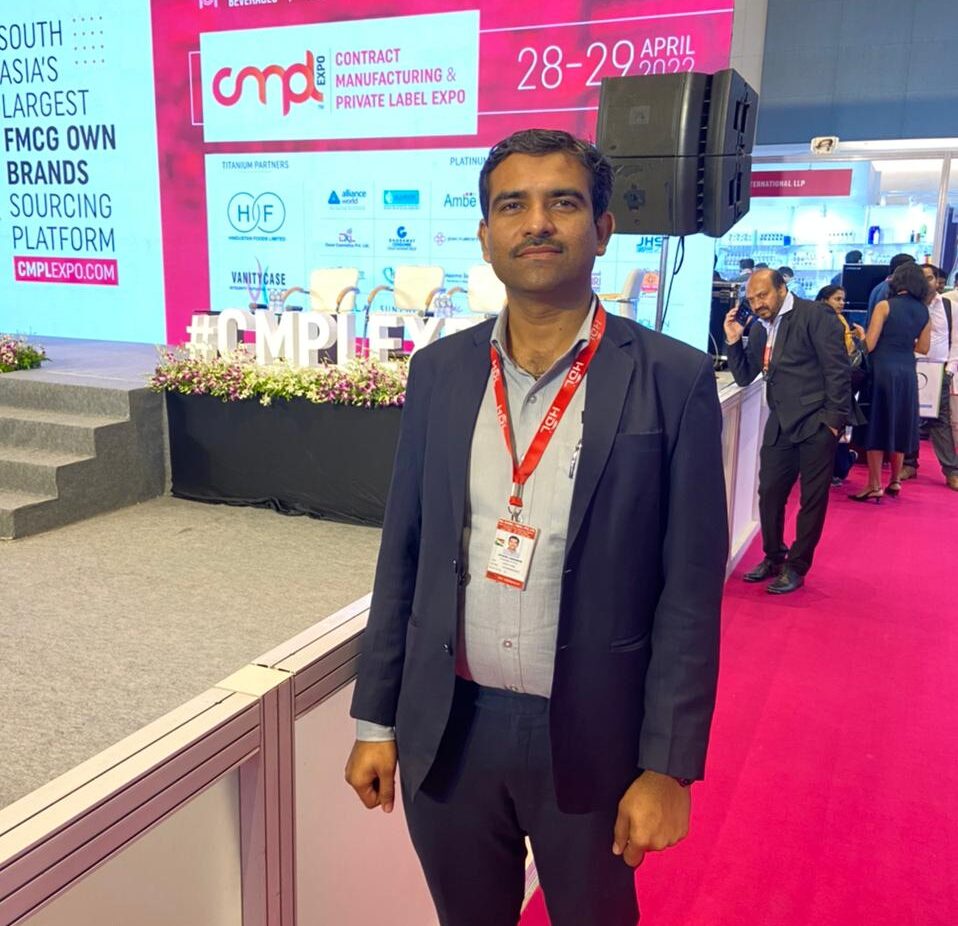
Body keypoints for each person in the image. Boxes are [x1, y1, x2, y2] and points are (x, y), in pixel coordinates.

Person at [345, 129, 729, 926]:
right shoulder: (439, 373)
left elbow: (690, 593)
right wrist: (376, 719)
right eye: (512, 206)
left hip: (593, 734)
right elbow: (404, 555)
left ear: (603, 228)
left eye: (563, 202)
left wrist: (668, 767)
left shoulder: (672, 378)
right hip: (451, 730)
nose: (538, 223)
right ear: (486, 235)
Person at [724, 269, 850, 594]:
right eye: (752, 299)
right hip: (780, 422)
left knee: (812, 500)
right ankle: (774, 557)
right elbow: (744, 376)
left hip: (816, 422)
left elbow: (837, 370)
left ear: (782, 288)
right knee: (769, 493)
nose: (758, 304)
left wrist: (833, 423)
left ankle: (797, 566)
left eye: (762, 295)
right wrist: (734, 340)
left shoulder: (815, 315)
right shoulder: (761, 328)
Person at [850, 262, 932, 501]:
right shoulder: (923, 311)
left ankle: (874, 484)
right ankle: (895, 480)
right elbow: (924, 347)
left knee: (876, 424)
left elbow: (870, 344)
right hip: (907, 371)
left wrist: (860, 337)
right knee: (898, 423)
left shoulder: (885, 305)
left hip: (882, 370)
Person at [899, 264, 958, 489]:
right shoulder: (908, 307)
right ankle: (909, 464)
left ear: (938, 281)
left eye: (931, 277)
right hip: (911, 368)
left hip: (939, 370)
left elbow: (956, 342)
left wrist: (949, 370)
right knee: (909, 418)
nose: (927, 282)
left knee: (940, 421)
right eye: (922, 277)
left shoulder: (950, 307)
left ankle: (951, 470)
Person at [815, 284, 866, 484]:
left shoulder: (839, 320)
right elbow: (847, 355)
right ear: (823, 300)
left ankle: (836, 468)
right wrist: (862, 340)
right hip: (833, 382)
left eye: (843, 299)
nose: (842, 303)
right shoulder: (833, 322)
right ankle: (839, 467)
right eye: (837, 299)